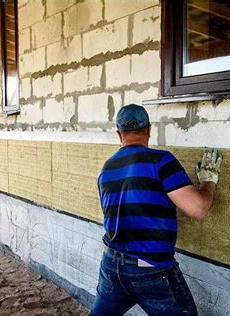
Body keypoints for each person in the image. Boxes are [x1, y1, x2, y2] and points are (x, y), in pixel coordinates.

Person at [91, 104, 222, 316]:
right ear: (149, 130)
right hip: (148, 266)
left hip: (112, 263)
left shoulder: (107, 168)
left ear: (119, 134)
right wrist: (209, 182)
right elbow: (198, 209)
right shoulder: (161, 161)